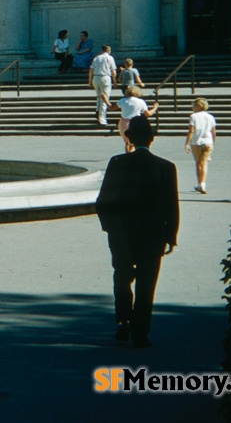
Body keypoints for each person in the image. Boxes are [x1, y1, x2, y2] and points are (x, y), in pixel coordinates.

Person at [96, 116, 179, 349]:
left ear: (129, 138)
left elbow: (103, 200)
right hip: (153, 234)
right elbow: (171, 204)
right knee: (146, 283)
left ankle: (123, 321)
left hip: (121, 231)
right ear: (152, 139)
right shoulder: (166, 167)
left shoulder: (117, 162)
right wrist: (171, 235)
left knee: (121, 277)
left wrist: (109, 227)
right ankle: (140, 333)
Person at [185, 97, 216, 194]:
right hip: (208, 141)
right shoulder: (210, 117)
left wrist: (187, 143)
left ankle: (200, 183)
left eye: (193, 106)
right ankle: (202, 183)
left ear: (198, 106)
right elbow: (213, 131)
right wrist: (213, 141)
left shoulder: (193, 116)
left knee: (198, 163)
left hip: (196, 142)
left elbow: (191, 131)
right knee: (204, 163)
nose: (192, 108)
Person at [117, 86, 158, 152]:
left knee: (127, 142)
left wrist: (106, 100)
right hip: (135, 122)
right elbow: (148, 114)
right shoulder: (140, 101)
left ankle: (128, 156)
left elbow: (111, 107)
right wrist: (155, 108)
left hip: (123, 122)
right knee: (133, 143)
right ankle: (132, 155)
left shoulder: (123, 100)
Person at [89, 44, 118, 126]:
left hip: (96, 77)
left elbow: (91, 69)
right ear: (108, 50)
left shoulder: (97, 58)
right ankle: (102, 119)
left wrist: (90, 80)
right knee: (104, 98)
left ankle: (97, 111)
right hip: (105, 77)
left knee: (98, 96)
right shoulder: (110, 58)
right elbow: (113, 70)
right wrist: (115, 80)